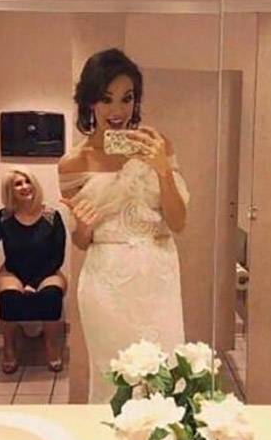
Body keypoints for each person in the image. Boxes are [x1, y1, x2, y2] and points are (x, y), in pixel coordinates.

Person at [58, 48, 189, 402]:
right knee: (113, 382)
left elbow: (178, 222)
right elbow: (81, 241)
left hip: (158, 275)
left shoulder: (158, 147)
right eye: (107, 99)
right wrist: (83, 226)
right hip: (106, 281)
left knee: (165, 379)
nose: (118, 110)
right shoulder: (73, 163)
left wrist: (162, 170)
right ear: (90, 102)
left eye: (127, 98)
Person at [0, 167, 66, 374]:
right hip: (13, 272)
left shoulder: (52, 216)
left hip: (47, 271)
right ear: (10, 190)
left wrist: (34, 282)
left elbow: (57, 257)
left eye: (27, 181)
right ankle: (9, 349)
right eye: (18, 184)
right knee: (9, 298)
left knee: (51, 296)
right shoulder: (3, 217)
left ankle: (51, 347)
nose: (24, 187)